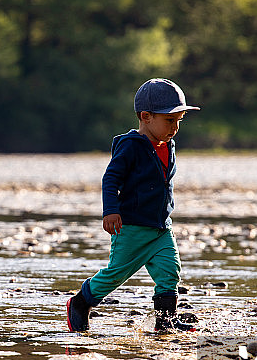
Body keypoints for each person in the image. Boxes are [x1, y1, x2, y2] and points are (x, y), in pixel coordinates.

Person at [66, 78, 199, 333]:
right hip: (132, 227)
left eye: (179, 121)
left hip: (160, 227)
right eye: (169, 120)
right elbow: (111, 178)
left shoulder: (167, 145)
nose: (175, 127)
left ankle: (165, 321)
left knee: (169, 271)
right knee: (116, 274)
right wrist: (111, 211)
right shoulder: (130, 146)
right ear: (146, 116)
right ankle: (80, 303)